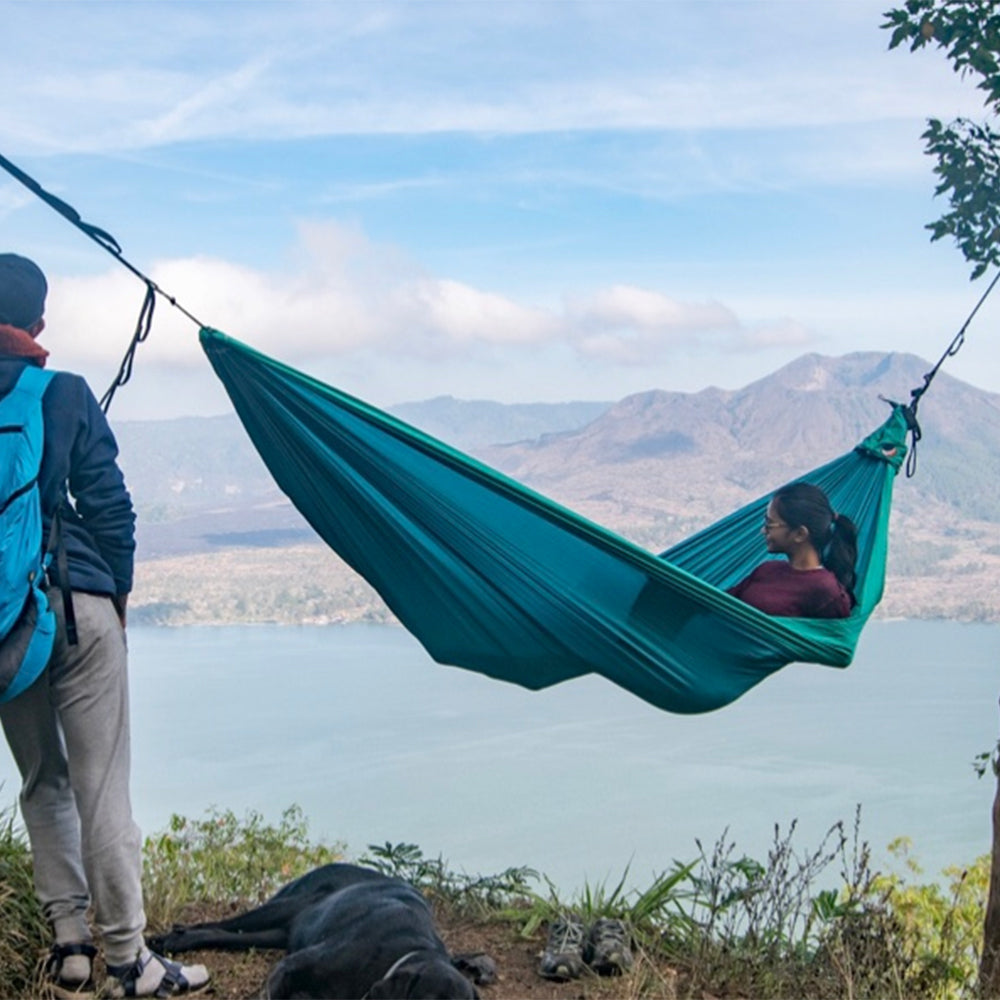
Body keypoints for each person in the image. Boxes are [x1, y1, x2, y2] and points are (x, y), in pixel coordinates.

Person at [0, 254, 209, 998]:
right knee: (102, 786)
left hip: (4, 625)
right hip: (78, 605)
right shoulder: (62, 393)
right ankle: (128, 961)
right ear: (40, 324)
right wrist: (113, 593)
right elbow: (110, 505)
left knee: (42, 781)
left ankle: (71, 950)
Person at [728, 481, 857, 619]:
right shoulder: (766, 570)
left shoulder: (827, 590)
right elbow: (720, 604)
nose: (763, 530)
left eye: (769, 524)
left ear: (800, 534)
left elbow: (830, 637)